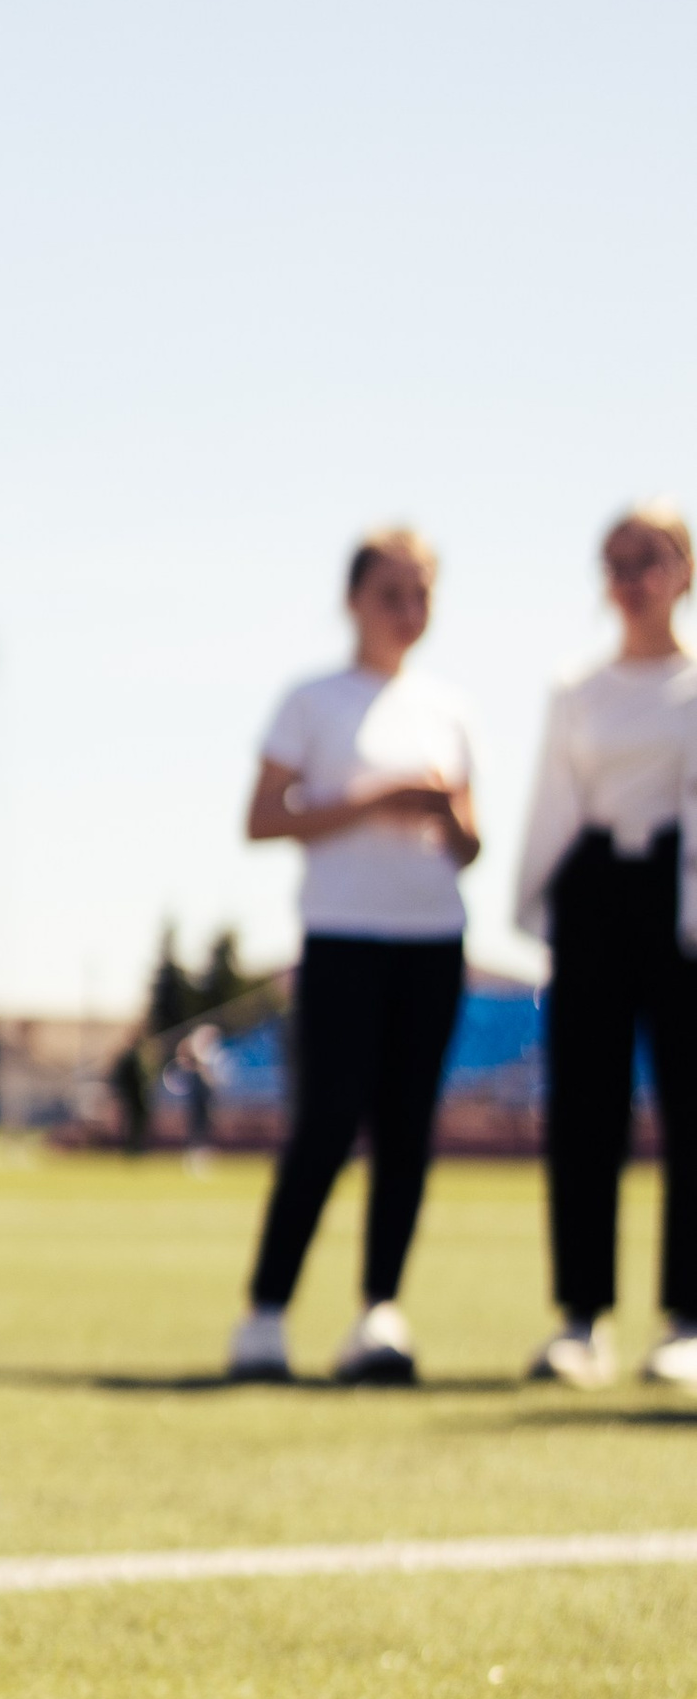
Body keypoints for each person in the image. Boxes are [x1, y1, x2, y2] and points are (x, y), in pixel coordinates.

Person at [225, 528, 478, 1386]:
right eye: (391, 592)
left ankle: (379, 1312)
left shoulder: (447, 707)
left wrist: (444, 812)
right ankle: (265, 1313)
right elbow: (263, 817)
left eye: (422, 593)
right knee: (327, 1122)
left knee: (407, 1129)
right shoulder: (313, 700)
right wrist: (375, 797)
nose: (408, 610)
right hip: (341, 938)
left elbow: (471, 841)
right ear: (354, 598)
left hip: (434, 940)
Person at [513, 503, 697, 1389]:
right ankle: (579, 1320)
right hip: (594, 897)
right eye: (616, 562)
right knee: (585, 1109)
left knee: (693, 1110)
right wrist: (542, 907)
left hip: (682, 899)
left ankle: (688, 1320)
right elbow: (553, 802)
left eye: (650, 560)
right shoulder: (575, 688)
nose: (631, 579)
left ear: (684, 572)